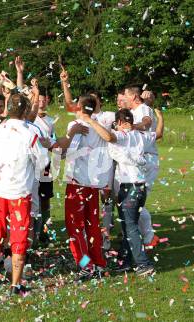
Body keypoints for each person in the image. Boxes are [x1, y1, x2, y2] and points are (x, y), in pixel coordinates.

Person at [79, 107, 164, 276]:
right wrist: (160, 117)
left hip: (129, 187)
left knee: (131, 226)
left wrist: (90, 121)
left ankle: (143, 264)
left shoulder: (123, 135)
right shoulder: (141, 135)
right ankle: (126, 260)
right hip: (141, 187)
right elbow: (159, 133)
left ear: (119, 123)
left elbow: (109, 136)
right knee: (127, 225)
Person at [0, 93, 49, 295]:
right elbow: (42, 163)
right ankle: (15, 283)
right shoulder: (30, 133)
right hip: (20, 191)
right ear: (25, 111)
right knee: (19, 236)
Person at [63, 95, 113, 280]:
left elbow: (69, 151)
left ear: (80, 107)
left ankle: (85, 265)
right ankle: (99, 263)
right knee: (92, 225)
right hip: (95, 184)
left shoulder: (76, 125)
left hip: (78, 183)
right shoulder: (101, 124)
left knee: (74, 227)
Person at [124, 86, 160, 248]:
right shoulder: (136, 109)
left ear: (134, 97)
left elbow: (147, 122)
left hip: (147, 160)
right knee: (133, 201)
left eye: (126, 96)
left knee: (137, 202)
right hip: (140, 160)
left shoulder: (144, 109)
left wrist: (133, 126)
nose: (124, 100)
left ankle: (149, 237)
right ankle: (141, 235)